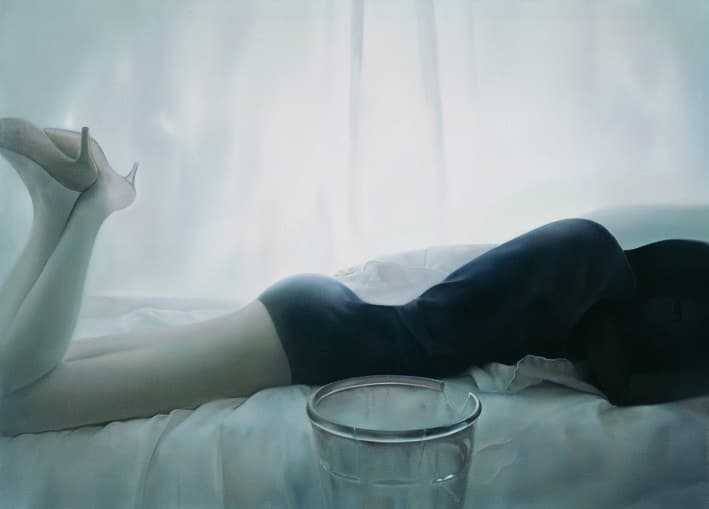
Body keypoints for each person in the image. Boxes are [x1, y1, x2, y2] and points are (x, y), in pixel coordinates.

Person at [0, 118, 707, 436]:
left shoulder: (586, 250)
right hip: (318, 340)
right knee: (16, 409)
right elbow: (623, 381)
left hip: (322, 317)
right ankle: (95, 203)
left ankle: (52, 208)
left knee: (25, 379)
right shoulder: (591, 271)